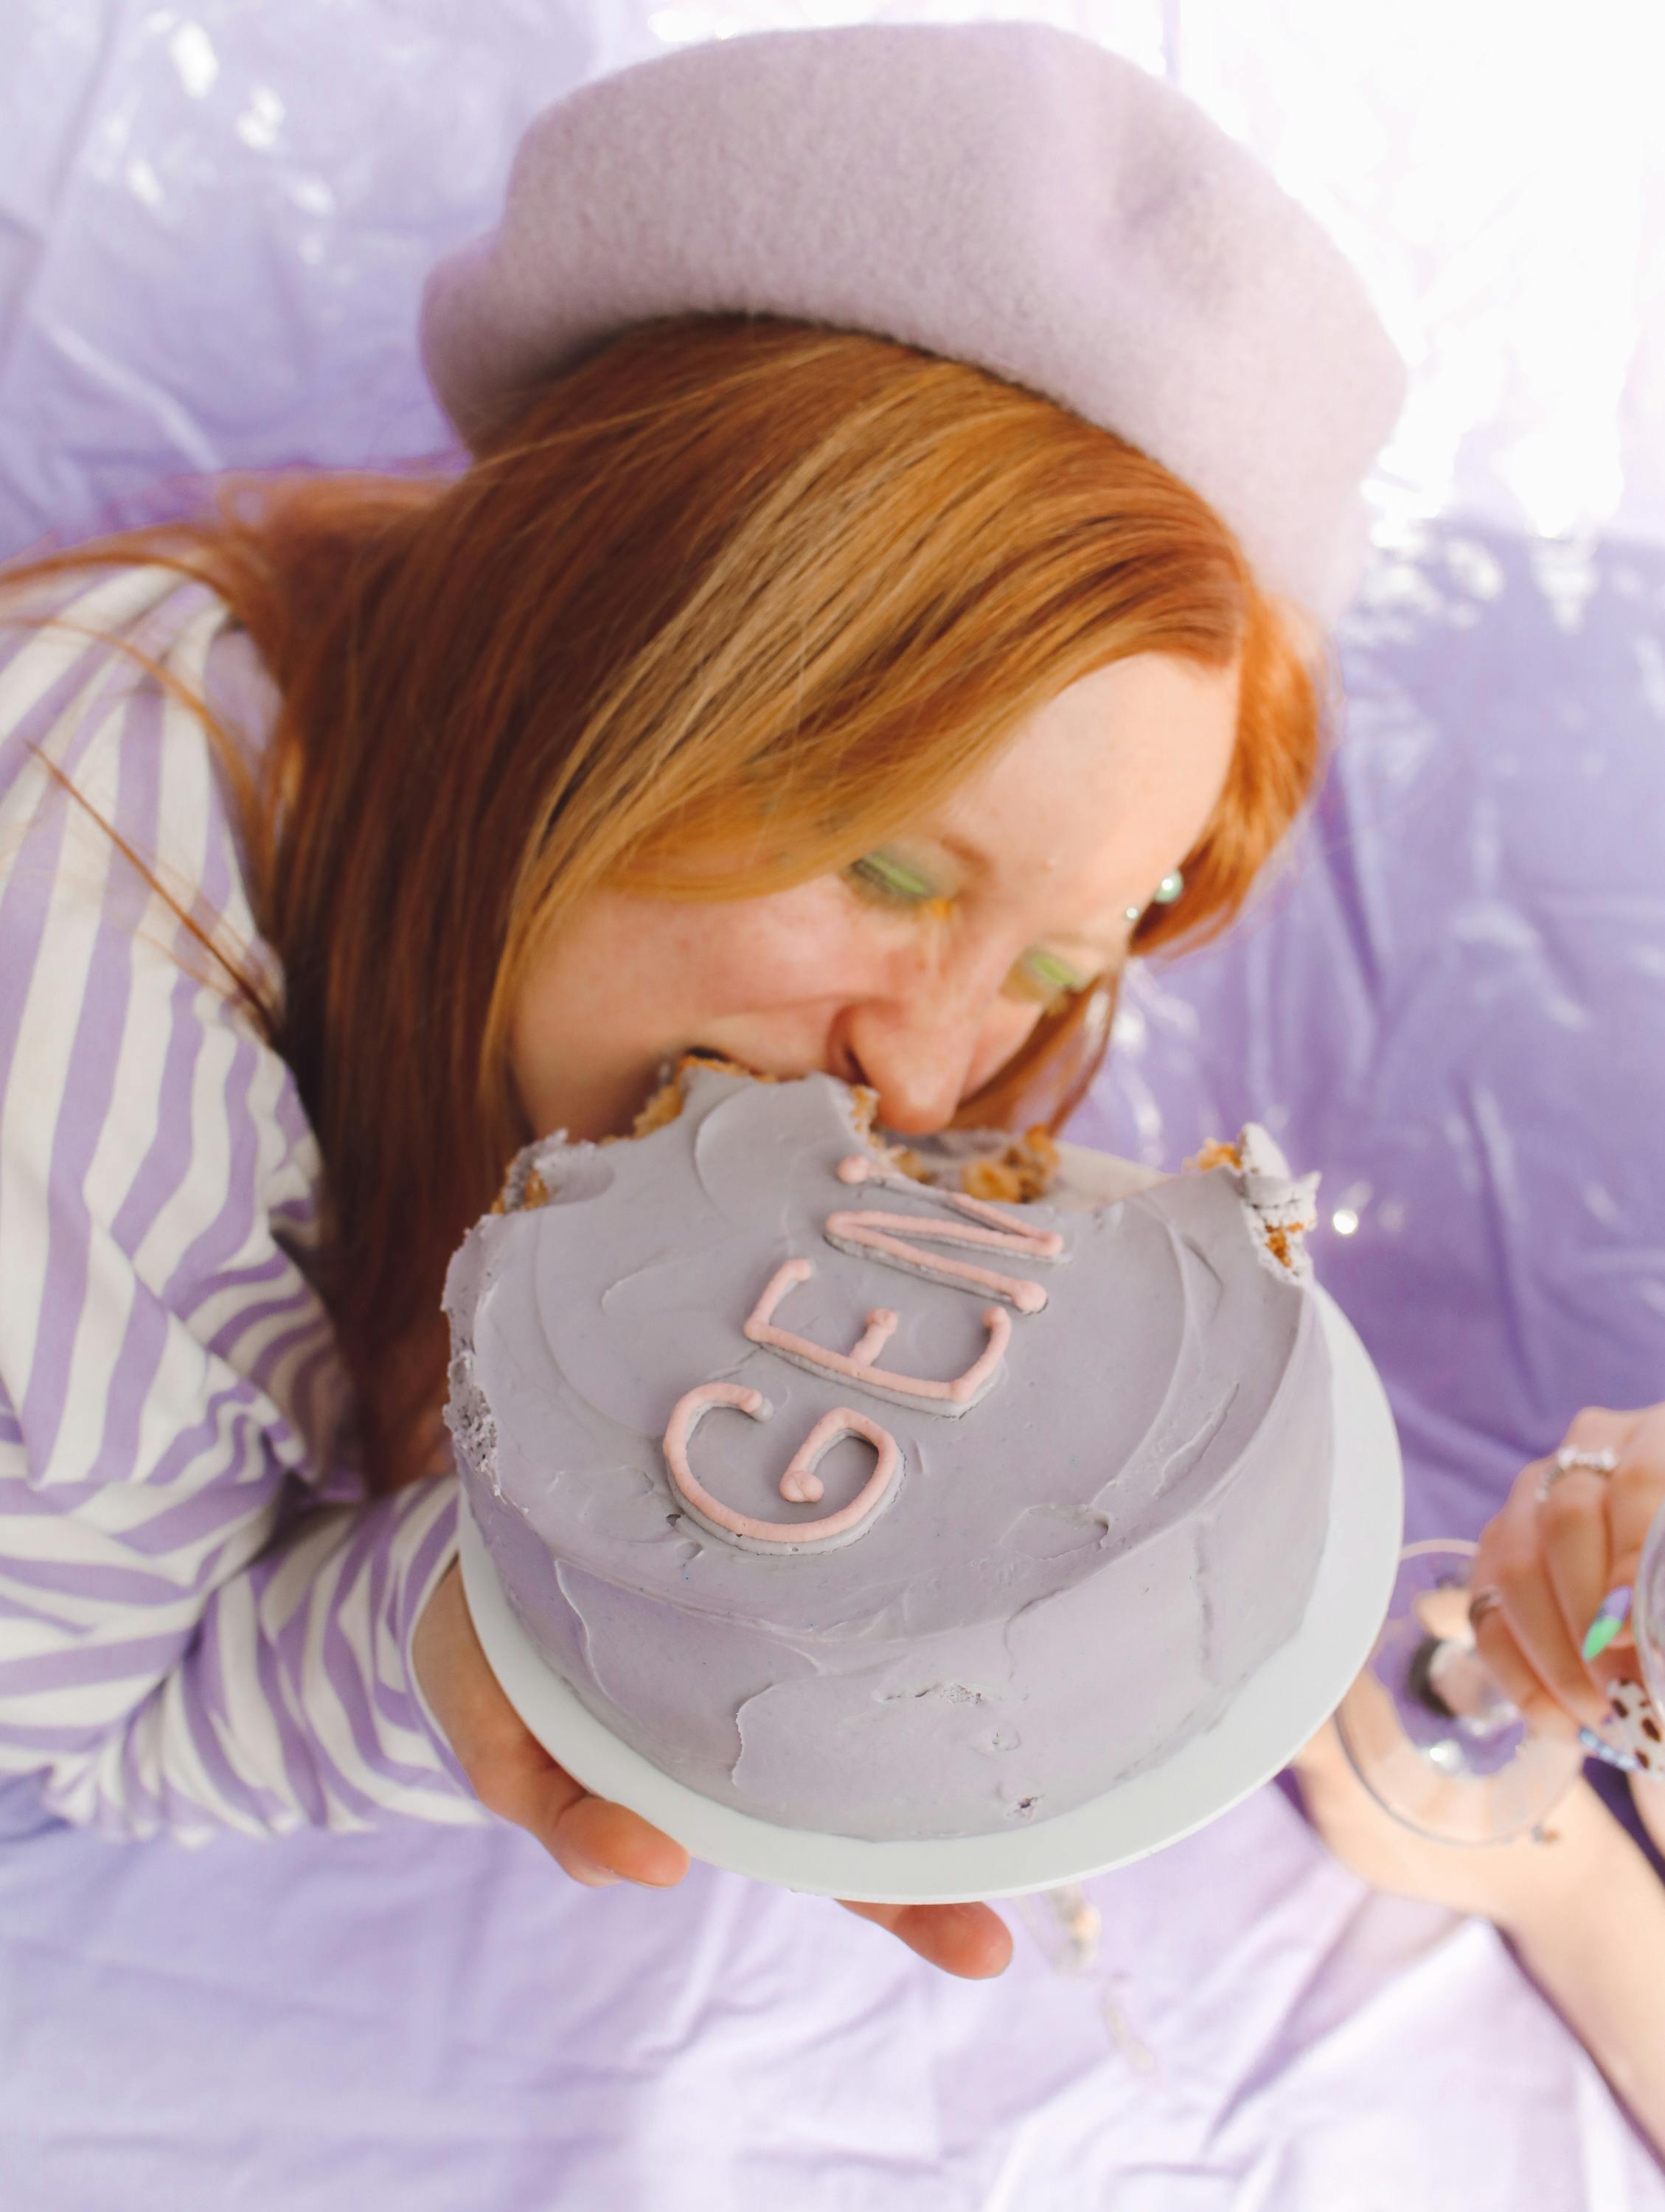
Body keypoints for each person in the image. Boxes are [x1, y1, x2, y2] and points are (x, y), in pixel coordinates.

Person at [0, 23, 1403, 1981]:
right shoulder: (68, 922)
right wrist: (518, 1620)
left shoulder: (555, 931)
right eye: (894, 871)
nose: (922, 1073)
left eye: (1057, 973)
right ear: (593, 648)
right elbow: (97, 1722)